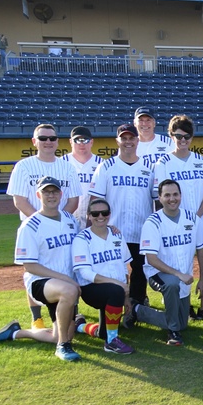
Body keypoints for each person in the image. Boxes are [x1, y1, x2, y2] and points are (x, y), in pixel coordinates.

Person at [0, 176, 82, 361]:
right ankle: (63, 347)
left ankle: (17, 333)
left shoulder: (70, 220)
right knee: (69, 291)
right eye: (46, 192)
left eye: (54, 191)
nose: (51, 195)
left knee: (61, 333)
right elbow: (29, 265)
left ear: (61, 194)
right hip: (40, 281)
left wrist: (110, 229)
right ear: (38, 195)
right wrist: (66, 279)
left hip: (63, 283)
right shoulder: (30, 225)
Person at [6, 123, 80, 330]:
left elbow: (73, 201)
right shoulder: (24, 166)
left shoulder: (66, 166)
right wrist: (41, 222)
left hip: (61, 224)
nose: (48, 142)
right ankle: (36, 318)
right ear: (34, 141)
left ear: (57, 141)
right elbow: (19, 200)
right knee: (34, 269)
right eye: (43, 138)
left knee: (63, 265)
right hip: (33, 227)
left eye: (52, 138)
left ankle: (67, 316)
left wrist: (57, 222)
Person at [153, 115, 203, 320]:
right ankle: (184, 304)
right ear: (171, 136)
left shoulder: (200, 160)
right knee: (180, 266)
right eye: (178, 136)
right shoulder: (163, 162)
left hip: (201, 223)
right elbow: (161, 196)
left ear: (192, 137)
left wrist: (197, 216)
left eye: (186, 136)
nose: (182, 140)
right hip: (175, 225)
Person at [132, 179, 203, 346]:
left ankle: (137, 310)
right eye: (166, 195)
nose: (172, 198)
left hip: (183, 276)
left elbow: (202, 248)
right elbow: (151, 259)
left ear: (181, 196)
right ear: (159, 198)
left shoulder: (192, 218)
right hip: (157, 273)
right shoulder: (153, 222)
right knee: (172, 284)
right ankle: (173, 333)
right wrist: (178, 274)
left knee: (183, 322)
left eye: (175, 194)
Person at [91, 124, 155, 322]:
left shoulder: (148, 168)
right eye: (124, 138)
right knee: (114, 271)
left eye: (131, 138)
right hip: (112, 231)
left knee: (139, 271)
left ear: (137, 140)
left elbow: (157, 199)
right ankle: (113, 307)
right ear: (117, 141)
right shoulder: (106, 167)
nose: (128, 142)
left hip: (140, 230)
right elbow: (96, 200)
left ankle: (135, 307)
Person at [71, 197, 135, 354]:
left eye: (104, 212)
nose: (100, 216)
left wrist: (126, 297)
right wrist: (118, 286)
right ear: (89, 216)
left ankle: (80, 326)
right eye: (95, 213)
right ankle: (112, 342)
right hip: (92, 289)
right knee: (114, 291)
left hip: (115, 288)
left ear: (110, 214)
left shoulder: (116, 235)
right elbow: (85, 273)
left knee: (103, 332)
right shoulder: (82, 239)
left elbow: (124, 268)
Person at [62, 126, 102, 229]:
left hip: (94, 219)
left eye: (85, 140)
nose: (81, 143)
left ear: (91, 142)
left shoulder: (101, 164)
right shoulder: (61, 163)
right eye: (77, 140)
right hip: (66, 218)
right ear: (71, 142)